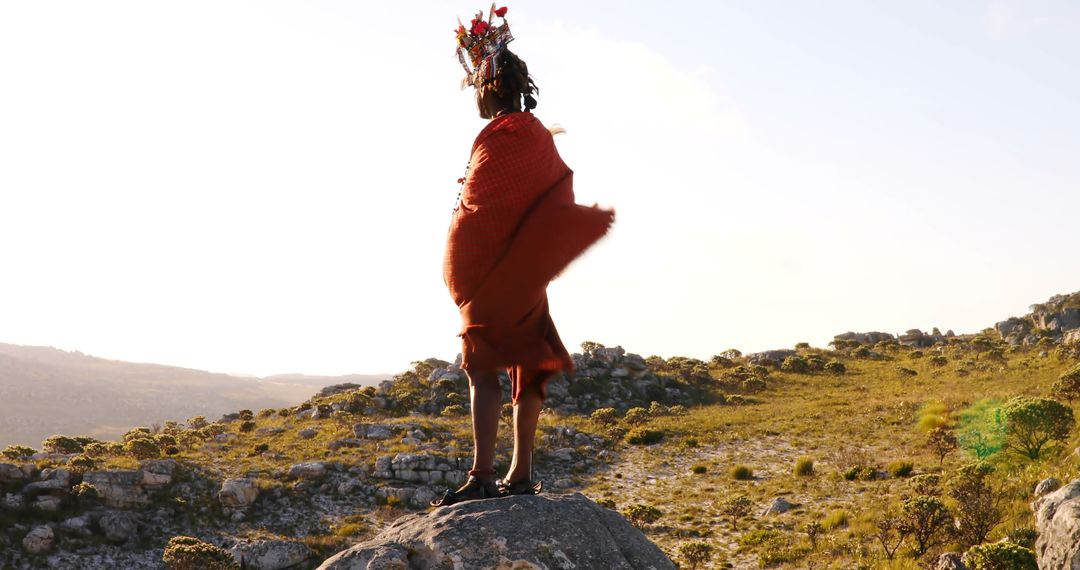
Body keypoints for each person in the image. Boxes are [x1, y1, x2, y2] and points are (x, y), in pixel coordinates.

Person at [433, 6, 615, 507]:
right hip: (521, 272)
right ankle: (520, 472)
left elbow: (485, 202)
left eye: (476, 87)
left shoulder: (503, 133)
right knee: (526, 363)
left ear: (489, 86)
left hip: (494, 272)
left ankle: (483, 475)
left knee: (483, 368)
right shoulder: (533, 135)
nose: (475, 95)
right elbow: (546, 192)